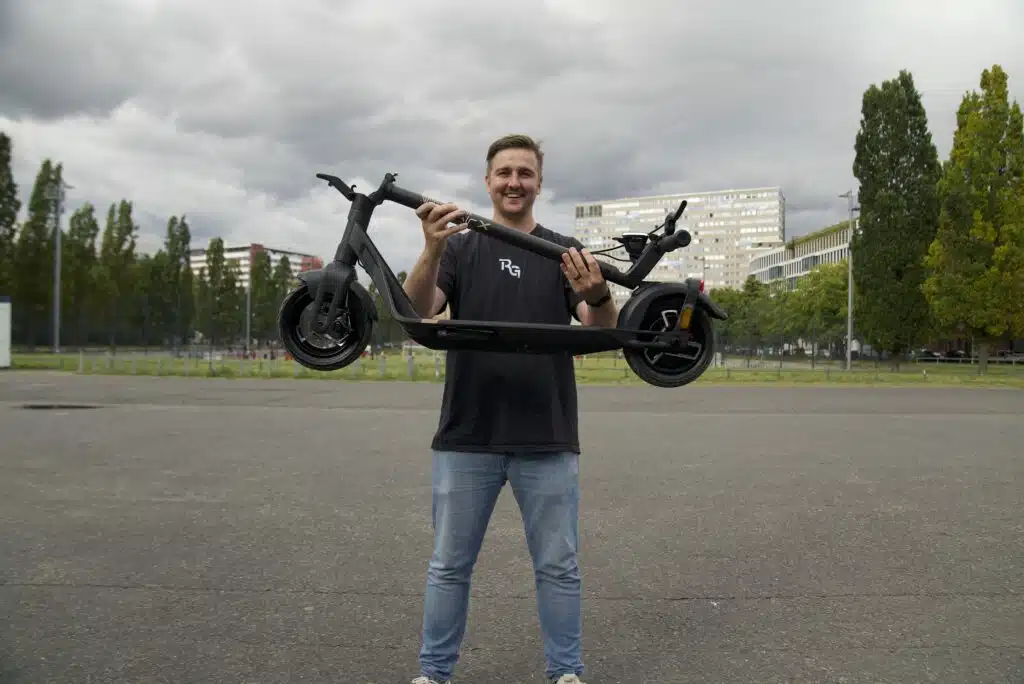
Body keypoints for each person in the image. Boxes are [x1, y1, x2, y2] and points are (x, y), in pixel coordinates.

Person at [402, 134, 617, 684]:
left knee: (558, 569)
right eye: (504, 172)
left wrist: (597, 295)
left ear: (539, 183)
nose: (514, 182)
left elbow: (601, 332)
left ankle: (566, 673)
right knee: (449, 568)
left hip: (546, 435)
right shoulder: (459, 246)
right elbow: (421, 311)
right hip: (466, 434)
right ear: (488, 181)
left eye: (525, 172)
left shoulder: (562, 250)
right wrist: (429, 248)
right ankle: (433, 674)